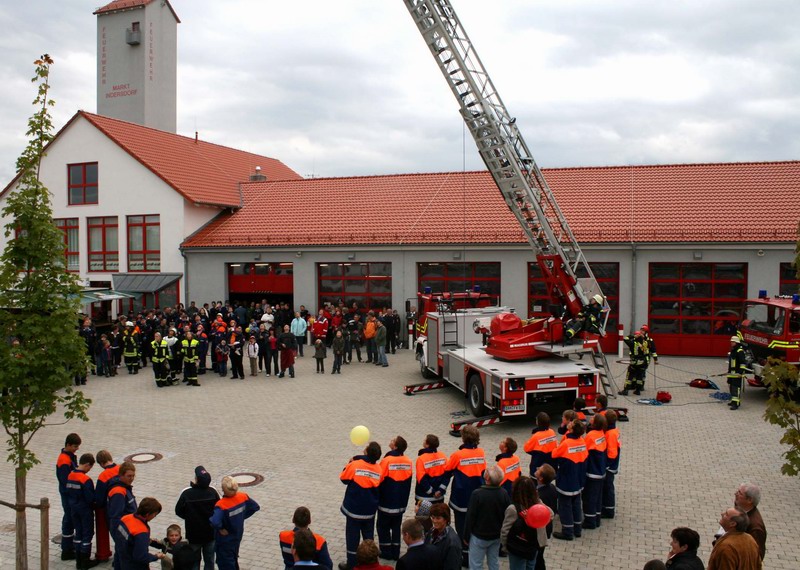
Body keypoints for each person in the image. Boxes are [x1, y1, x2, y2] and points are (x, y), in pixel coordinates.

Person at [441, 425, 486, 567]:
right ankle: (474, 555)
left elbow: (447, 469)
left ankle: (464, 556)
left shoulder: (458, 455)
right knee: (474, 526)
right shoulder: (481, 452)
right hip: (478, 495)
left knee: (461, 528)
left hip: (461, 497)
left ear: (463, 438)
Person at [339, 441, 383, 569]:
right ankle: (370, 562)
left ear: (367, 452)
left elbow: (344, 479)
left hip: (354, 510)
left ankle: (352, 564)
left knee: (352, 538)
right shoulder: (379, 469)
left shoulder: (355, 465)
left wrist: (349, 464)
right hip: (369, 511)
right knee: (368, 537)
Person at [463, 465, 510, 570]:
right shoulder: (504, 493)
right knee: (494, 562)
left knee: (476, 564)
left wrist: (466, 536)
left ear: (487, 478)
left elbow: (470, 516)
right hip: (496, 536)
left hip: (479, 536)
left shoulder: (477, 494)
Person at [210, 476, 261, 570]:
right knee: (234, 558)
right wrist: (241, 517)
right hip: (237, 536)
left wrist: (221, 528)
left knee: (226, 563)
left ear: (223, 489)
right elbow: (255, 507)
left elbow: (215, 522)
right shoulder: (243, 496)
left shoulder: (221, 504)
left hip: (225, 541)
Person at [501, 476, 551, 570]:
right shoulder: (538, 505)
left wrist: (505, 547)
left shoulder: (513, 509)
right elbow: (550, 514)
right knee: (530, 567)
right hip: (533, 546)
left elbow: (505, 531)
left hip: (517, 547)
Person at [175, 466, 220, 570]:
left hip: (193, 535)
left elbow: (178, 511)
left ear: (196, 479)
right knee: (209, 560)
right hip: (210, 534)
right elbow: (219, 509)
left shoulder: (187, 493)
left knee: (194, 561)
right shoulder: (212, 492)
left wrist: (189, 518)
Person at [377, 436, 413, 561]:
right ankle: (396, 552)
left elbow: (379, 479)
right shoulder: (408, 461)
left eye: (393, 440)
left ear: (395, 446)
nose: (390, 441)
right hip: (400, 502)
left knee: (383, 527)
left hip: (386, 502)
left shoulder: (387, 461)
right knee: (396, 527)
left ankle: (386, 551)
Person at [551, 418, 588, 540]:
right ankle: (577, 529)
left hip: (566, 480)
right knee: (576, 504)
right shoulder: (582, 441)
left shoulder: (567, 443)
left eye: (571, 424)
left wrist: (557, 446)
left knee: (565, 506)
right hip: (578, 479)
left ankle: (567, 531)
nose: (569, 423)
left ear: (572, 429)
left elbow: (554, 454)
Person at [114, 497, 167, 568]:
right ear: (147, 514)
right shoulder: (142, 532)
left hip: (122, 558)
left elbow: (124, 538)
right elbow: (141, 556)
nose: (154, 516)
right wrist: (156, 556)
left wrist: (145, 541)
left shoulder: (126, 518)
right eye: (154, 514)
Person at [67, 452, 98, 569]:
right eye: (90, 467)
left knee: (78, 533)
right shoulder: (85, 479)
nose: (89, 470)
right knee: (87, 534)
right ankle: (85, 561)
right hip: (85, 510)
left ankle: (78, 561)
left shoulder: (70, 475)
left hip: (73, 509)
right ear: (87, 464)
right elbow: (90, 498)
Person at [57, 433, 81, 561]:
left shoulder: (69, 457)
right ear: (68, 445)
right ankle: (66, 549)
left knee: (70, 518)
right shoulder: (64, 460)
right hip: (68, 495)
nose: (77, 449)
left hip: (69, 494)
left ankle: (68, 547)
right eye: (75, 446)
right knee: (69, 518)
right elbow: (66, 480)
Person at [581, 413, 607, 530]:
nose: (590, 418)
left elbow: (584, 450)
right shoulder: (601, 433)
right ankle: (597, 518)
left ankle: (590, 521)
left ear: (595, 423)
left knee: (589, 497)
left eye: (593, 418)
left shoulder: (591, 435)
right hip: (600, 471)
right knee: (597, 497)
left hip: (592, 472)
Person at [94, 450, 120, 564]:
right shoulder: (120, 468)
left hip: (111, 509)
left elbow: (99, 498)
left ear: (101, 463)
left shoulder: (103, 476)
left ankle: (118, 561)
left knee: (116, 535)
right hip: (124, 506)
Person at [733, 483, 766, 560]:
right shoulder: (740, 508)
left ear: (749, 500)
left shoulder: (755, 527)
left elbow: (757, 555)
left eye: (739, 493)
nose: (735, 494)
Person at [533, 464, 557, 570]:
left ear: (541, 478)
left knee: (538, 557)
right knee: (539, 555)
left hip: (541, 530)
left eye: (539, 469)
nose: (537, 468)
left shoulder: (540, 495)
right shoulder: (552, 488)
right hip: (547, 528)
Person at [425, 502, 462, 570]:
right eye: (433, 517)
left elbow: (452, 566)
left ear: (446, 519)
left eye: (438, 518)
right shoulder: (432, 531)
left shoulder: (452, 543)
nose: (434, 521)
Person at [415, 434, 447, 504]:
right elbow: (447, 475)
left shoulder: (421, 459)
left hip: (424, 497)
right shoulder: (443, 456)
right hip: (439, 497)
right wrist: (440, 490)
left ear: (427, 445)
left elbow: (421, 478)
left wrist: (432, 492)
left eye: (425, 440)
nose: (423, 441)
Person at [601, 410, 621, 520]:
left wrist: (606, 465)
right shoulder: (613, 431)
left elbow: (612, 453)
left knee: (608, 488)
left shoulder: (610, 434)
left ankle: (609, 510)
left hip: (610, 467)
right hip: (612, 466)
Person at [619, 330, 648, 395]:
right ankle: (638, 391)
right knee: (639, 377)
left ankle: (626, 390)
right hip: (642, 362)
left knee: (629, 377)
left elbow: (625, 338)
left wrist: (633, 336)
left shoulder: (633, 343)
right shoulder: (645, 343)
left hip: (634, 363)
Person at [726, 336, 748, 410]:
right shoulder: (733, 350)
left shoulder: (739, 351)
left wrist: (740, 373)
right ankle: (733, 401)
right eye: (731, 342)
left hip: (737, 374)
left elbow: (743, 363)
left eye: (733, 342)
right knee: (731, 388)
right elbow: (731, 363)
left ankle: (736, 404)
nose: (731, 343)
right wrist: (728, 373)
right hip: (732, 373)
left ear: (736, 342)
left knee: (736, 389)